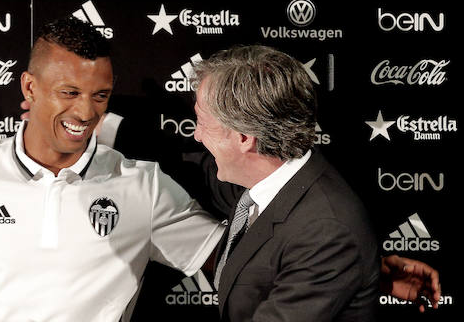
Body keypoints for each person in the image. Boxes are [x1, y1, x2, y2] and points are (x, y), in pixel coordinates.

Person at [0, 17, 225, 322]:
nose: (86, 113)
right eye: (69, 93)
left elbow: (241, 263)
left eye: (100, 96)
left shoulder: (143, 186)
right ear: (30, 87)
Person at [185, 44, 436, 321]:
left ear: (245, 138)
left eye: (203, 122)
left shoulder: (325, 232)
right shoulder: (275, 180)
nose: (197, 135)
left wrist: (344, 265)